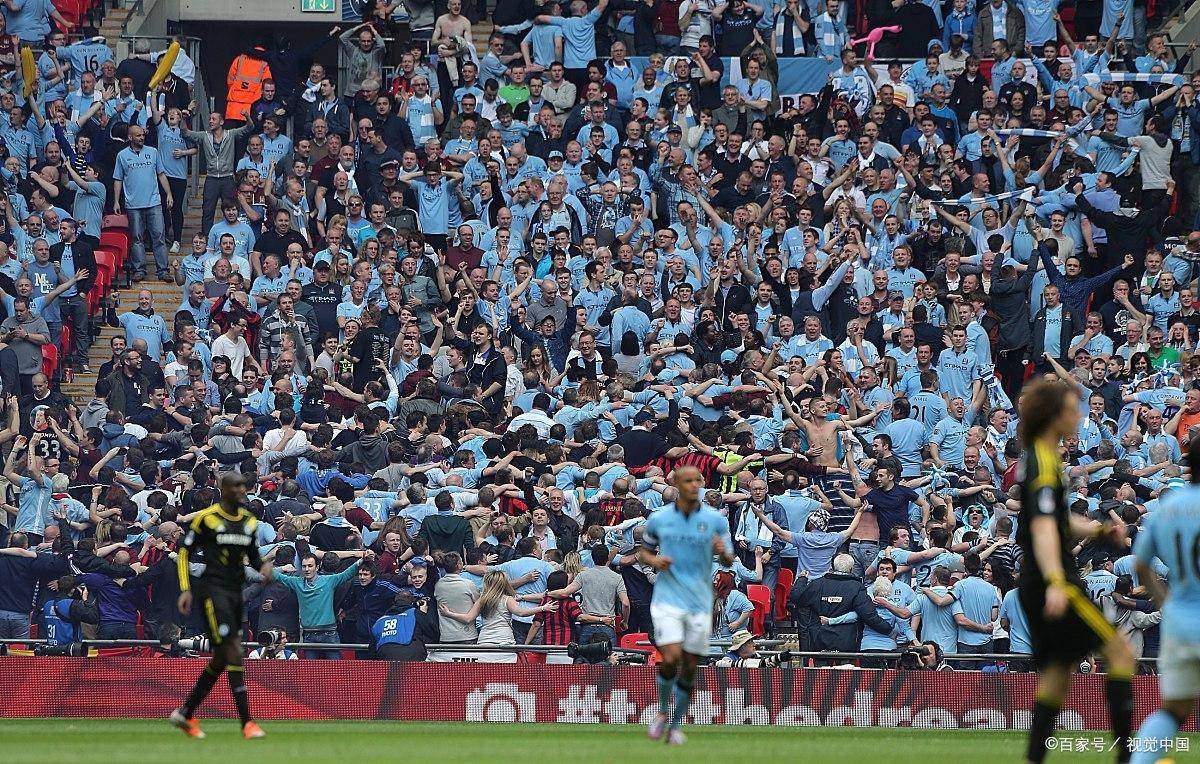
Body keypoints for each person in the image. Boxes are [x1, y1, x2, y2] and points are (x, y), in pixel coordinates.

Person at [1016, 378, 1136, 763]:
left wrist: (1099, 529)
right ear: (1055, 414)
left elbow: (1056, 519)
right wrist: (1056, 583)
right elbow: (1043, 527)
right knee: (1120, 652)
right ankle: (1127, 755)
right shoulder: (1042, 461)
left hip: (1035, 579)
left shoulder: (1041, 456)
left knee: (1056, 674)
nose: (1077, 415)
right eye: (1072, 409)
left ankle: (1034, 758)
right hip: (1055, 579)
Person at [170, 473, 272, 740]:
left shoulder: (249, 521)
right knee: (233, 650)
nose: (241, 491)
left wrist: (263, 567)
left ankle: (185, 712)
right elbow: (184, 552)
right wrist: (185, 588)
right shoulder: (207, 518)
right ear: (223, 489)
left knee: (222, 658)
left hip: (235, 596)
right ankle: (247, 723)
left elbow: (253, 557)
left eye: (243, 487)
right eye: (235, 487)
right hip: (212, 593)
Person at [637, 465, 733, 745]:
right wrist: (655, 561)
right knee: (670, 657)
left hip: (699, 600)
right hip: (667, 597)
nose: (693, 485)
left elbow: (728, 559)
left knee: (690, 666)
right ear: (677, 484)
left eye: (697, 480)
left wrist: (722, 553)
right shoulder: (659, 518)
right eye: (687, 480)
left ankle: (675, 726)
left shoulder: (715, 520)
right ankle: (662, 711)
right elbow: (643, 553)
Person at [1128, 441, 1200, 763]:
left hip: (1180, 621)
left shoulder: (1167, 509)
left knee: (1173, 711)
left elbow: (1141, 564)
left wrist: (1166, 602)